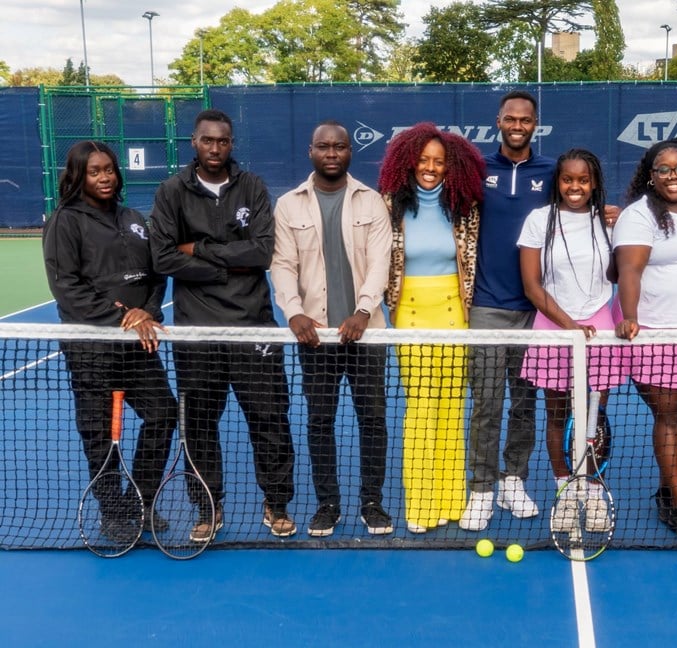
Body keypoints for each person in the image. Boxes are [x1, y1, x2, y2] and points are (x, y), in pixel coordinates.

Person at [150, 108, 296, 541]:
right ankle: (208, 507)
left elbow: (262, 252)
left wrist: (200, 250)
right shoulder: (171, 192)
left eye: (224, 141)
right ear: (193, 141)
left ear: (232, 144)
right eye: (208, 140)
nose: (216, 148)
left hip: (253, 328)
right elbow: (162, 257)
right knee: (198, 424)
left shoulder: (252, 186)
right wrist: (224, 266)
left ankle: (277, 502)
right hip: (199, 332)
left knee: (270, 420)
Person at [43, 140, 177, 541]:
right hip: (92, 350)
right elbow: (67, 288)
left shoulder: (134, 217)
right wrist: (123, 317)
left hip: (139, 344)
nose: (104, 177)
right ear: (78, 177)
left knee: (163, 414)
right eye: (94, 171)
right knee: (100, 435)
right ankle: (113, 511)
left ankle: (140, 501)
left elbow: (157, 275)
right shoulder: (64, 221)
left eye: (109, 170)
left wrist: (149, 312)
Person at [271, 120, 394, 538]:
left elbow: (380, 263)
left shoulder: (372, 202)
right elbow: (283, 265)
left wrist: (362, 312)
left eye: (339, 146)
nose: (331, 153)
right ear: (311, 151)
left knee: (373, 420)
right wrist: (293, 313)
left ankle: (372, 502)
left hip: (367, 334)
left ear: (349, 152)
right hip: (315, 337)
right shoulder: (288, 205)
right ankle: (327, 503)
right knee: (320, 422)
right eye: (323, 146)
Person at [379, 122, 484, 534]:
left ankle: (452, 499)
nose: (430, 167)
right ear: (408, 161)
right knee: (421, 407)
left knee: (452, 407)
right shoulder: (389, 204)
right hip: (410, 313)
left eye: (439, 162)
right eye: (423, 160)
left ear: (450, 166)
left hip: (454, 311)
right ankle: (421, 504)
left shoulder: (465, 205)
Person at [460, 90, 557, 531]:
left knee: (525, 402)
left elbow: (577, 212)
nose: (518, 125)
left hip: (535, 310)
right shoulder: (476, 170)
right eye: (510, 118)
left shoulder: (552, 172)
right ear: (498, 121)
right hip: (486, 306)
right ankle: (481, 489)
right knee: (487, 403)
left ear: (536, 124)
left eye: (526, 119)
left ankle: (513, 481)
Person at [613, 138, 677, 542]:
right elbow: (630, 272)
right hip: (656, 334)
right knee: (670, 414)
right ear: (650, 175)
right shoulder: (639, 217)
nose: (673, 175)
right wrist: (631, 318)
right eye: (663, 169)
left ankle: (666, 491)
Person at [518, 148, 625, 533]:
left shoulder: (609, 222)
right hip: (552, 326)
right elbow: (532, 285)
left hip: (599, 324)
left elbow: (618, 276)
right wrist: (568, 325)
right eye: (568, 180)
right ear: (557, 182)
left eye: (583, 180)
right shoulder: (538, 220)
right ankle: (566, 491)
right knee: (558, 414)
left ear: (593, 182)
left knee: (593, 416)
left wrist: (619, 228)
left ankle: (593, 490)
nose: (575, 187)